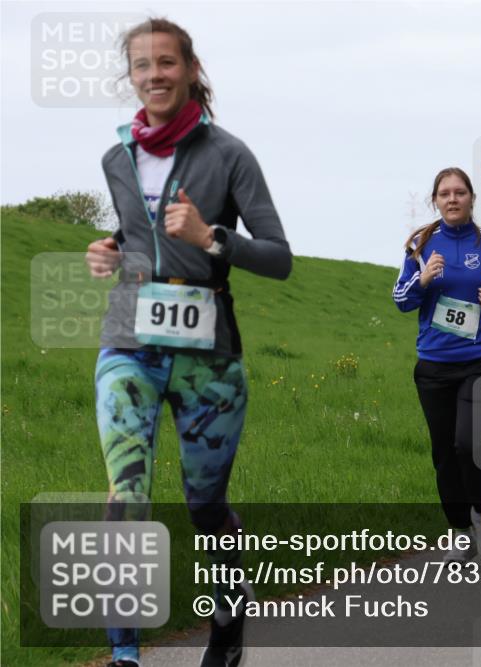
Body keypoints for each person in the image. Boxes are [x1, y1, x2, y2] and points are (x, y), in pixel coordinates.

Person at [84, 18, 292, 667]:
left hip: (209, 354)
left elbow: (279, 258)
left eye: (166, 63)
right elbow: (134, 232)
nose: (154, 76)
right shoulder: (116, 156)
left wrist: (212, 238)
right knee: (127, 495)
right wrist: (111, 249)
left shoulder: (231, 154)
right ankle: (124, 654)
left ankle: (229, 620)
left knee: (205, 505)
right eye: (142, 66)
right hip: (128, 340)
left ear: (192, 69)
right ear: (132, 76)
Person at [393, 167, 481, 564]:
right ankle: (459, 530)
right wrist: (424, 280)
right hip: (434, 365)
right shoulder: (420, 244)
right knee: (444, 452)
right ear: (435, 200)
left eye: (460, 192)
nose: (452, 199)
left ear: (472, 198)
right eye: (445, 193)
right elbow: (401, 300)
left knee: (470, 443)